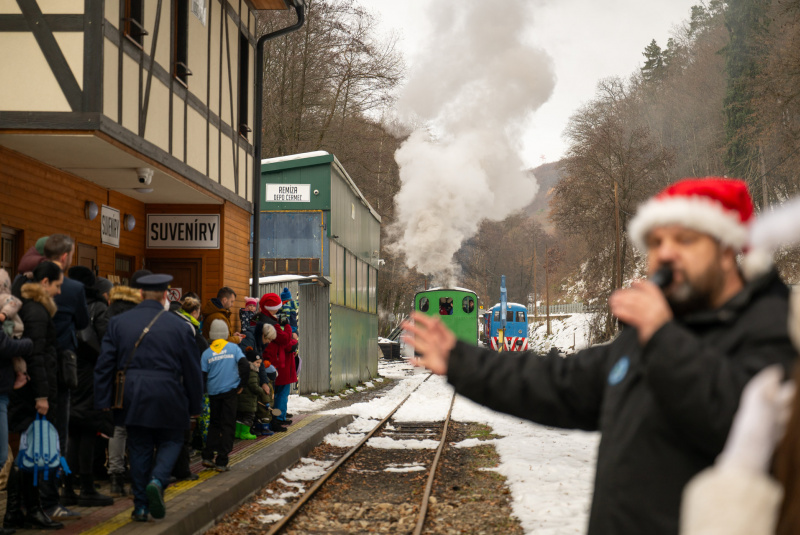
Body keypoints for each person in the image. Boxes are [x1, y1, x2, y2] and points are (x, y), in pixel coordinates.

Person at [403, 178, 798, 535]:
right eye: (656, 243)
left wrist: (662, 335)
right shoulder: (653, 333)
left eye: (686, 240)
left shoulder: (775, 328)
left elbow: (733, 420)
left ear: (728, 250)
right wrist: (461, 360)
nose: (666, 254)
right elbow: (558, 383)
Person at [94, 274, 203, 523]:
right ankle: (158, 479)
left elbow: (104, 365)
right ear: (165, 296)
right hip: (170, 394)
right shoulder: (179, 326)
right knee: (172, 441)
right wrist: (195, 404)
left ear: (140, 295)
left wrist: (102, 401)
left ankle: (140, 506)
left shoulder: (119, 323)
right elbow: (192, 369)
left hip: (132, 395)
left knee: (139, 447)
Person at [5, 261, 65, 530]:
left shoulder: (29, 308)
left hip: (25, 391)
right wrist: (42, 395)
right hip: (32, 393)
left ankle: (19, 510)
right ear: (44, 283)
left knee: (27, 452)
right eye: (57, 285)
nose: (59, 292)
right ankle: (28, 510)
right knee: (30, 453)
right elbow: (37, 357)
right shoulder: (37, 312)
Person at [95, 269, 151, 498]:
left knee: (117, 430)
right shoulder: (141, 313)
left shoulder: (110, 312)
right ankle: (136, 476)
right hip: (139, 378)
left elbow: (106, 353)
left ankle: (116, 475)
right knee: (137, 430)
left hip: (116, 379)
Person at [62, 266, 114, 508]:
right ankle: (86, 486)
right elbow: (106, 345)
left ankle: (68, 484)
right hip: (92, 375)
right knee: (88, 432)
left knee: (72, 431)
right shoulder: (99, 308)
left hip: (68, 371)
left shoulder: (66, 303)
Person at [201, 319, 250, 469]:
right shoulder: (233, 348)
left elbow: (202, 375)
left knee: (214, 424)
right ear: (225, 334)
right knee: (228, 425)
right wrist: (241, 385)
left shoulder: (207, 353)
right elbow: (245, 366)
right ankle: (222, 461)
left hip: (214, 393)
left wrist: (205, 391)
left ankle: (208, 456)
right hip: (230, 392)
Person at [171, 296, 208, 482]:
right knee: (180, 434)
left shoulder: (177, 323)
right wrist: (195, 402)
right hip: (179, 387)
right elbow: (192, 365)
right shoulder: (188, 328)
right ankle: (179, 471)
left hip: (155, 387)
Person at [258, 293, 296, 433]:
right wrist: (287, 326)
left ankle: (274, 420)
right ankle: (273, 421)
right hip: (270, 362)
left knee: (272, 394)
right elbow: (284, 339)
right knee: (272, 394)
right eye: (276, 308)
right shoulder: (271, 323)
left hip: (268, 360)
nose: (277, 311)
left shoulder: (259, 318)